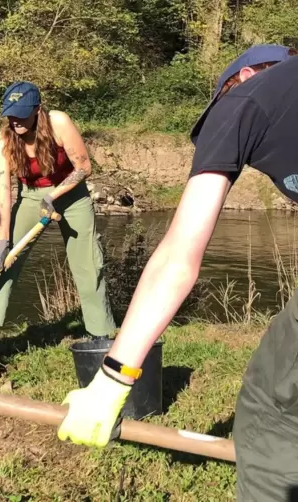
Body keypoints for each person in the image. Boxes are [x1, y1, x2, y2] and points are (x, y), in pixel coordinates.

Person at [56, 44, 298, 501]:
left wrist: (110, 382)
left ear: (245, 76)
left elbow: (178, 257)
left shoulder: (245, 98)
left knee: (271, 410)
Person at [0, 81, 116, 355]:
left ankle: (99, 334)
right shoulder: (4, 141)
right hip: (31, 195)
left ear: (37, 110)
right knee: (4, 262)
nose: (16, 121)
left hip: (71, 193)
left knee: (87, 263)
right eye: (11, 115)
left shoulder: (58, 122)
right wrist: (2, 241)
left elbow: (84, 167)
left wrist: (55, 195)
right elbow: (4, 194)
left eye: (22, 114)